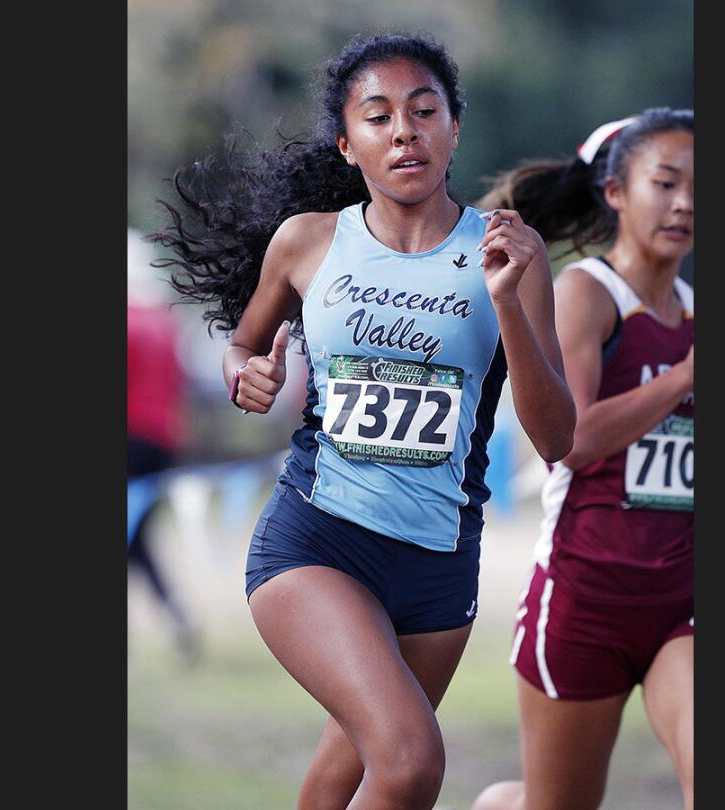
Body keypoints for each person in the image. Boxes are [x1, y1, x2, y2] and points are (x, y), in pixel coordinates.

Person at [150, 32, 576, 810]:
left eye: (424, 110)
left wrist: (508, 300)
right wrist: (247, 373)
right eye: (379, 117)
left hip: (439, 565)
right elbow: (245, 343)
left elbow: (556, 440)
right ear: (350, 145)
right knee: (411, 762)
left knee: (346, 771)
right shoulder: (309, 242)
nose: (404, 131)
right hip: (317, 541)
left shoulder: (510, 253)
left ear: (455, 127)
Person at [470, 108, 696, 810]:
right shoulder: (585, 295)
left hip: (679, 607)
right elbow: (573, 439)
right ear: (617, 192)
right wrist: (685, 377)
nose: (686, 201)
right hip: (585, 603)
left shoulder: (693, 309)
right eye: (666, 182)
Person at [126, 229, 200, 664]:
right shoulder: (167, 323)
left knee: (134, 535)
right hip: (165, 439)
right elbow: (179, 383)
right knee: (136, 534)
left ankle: (174, 615)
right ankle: (176, 615)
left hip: (130, 435)